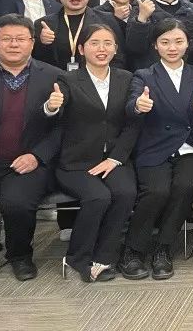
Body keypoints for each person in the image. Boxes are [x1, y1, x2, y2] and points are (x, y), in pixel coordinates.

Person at [121, 18, 193, 280]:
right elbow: (131, 105)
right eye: (165, 42)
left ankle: (163, 248)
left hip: (189, 146)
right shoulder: (144, 75)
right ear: (155, 45)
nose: (172, 47)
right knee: (157, 191)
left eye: (178, 41)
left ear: (188, 44)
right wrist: (138, 106)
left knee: (185, 186)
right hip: (155, 146)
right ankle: (133, 250)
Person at [51, 23, 137, 282]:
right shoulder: (67, 80)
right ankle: (77, 257)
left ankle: (104, 255)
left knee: (125, 193)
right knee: (98, 197)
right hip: (76, 160)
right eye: (94, 43)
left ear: (115, 48)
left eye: (107, 43)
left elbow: (133, 124)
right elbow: (57, 111)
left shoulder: (126, 78)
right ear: (81, 49)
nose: (102, 49)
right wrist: (52, 106)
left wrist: (116, 158)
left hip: (113, 158)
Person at [0, 15, 63, 280]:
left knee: (17, 204)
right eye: (6, 39)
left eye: (20, 38)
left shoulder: (54, 77)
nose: (13, 44)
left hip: (28, 161)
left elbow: (65, 128)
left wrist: (37, 156)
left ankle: (20, 256)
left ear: (32, 42)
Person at [33, 0, 126, 71]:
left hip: (96, 79)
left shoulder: (108, 20)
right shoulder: (44, 24)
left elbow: (119, 58)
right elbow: (36, 64)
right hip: (57, 79)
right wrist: (42, 43)